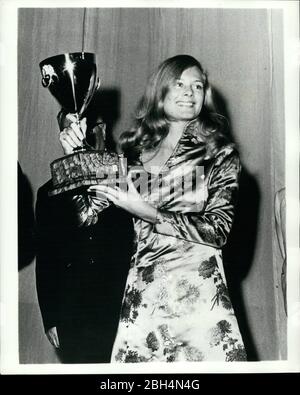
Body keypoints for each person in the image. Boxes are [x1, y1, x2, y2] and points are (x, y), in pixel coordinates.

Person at [66, 54, 247, 362]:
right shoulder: (133, 155)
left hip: (197, 297)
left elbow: (218, 230)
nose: (190, 93)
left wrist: (150, 212)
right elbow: (88, 216)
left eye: (197, 85)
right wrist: (75, 159)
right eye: (179, 84)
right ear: (159, 91)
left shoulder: (219, 153)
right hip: (142, 295)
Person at [35, 110, 133, 363]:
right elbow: (46, 257)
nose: (83, 136)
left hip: (123, 302)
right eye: (72, 129)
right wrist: (51, 317)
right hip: (73, 307)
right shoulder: (48, 192)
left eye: (90, 128)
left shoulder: (128, 178)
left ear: (103, 129)